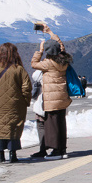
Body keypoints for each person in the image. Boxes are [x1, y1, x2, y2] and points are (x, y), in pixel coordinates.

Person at [31, 25, 72, 159]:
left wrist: (40, 50)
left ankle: (55, 150)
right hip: (62, 97)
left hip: (51, 99)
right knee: (61, 123)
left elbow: (34, 63)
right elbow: (61, 46)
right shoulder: (64, 60)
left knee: (52, 125)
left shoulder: (47, 63)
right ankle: (62, 149)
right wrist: (50, 32)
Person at [0, 42, 31, 164]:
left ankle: (0, 154)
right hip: (15, 105)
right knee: (14, 129)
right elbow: (26, 87)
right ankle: (13, 154)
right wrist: (26, 101)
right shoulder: (19, 70)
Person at [29, 69, 47, 158]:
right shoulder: (54, 74)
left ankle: (43, 148)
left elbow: (33, 94)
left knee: (41, 127)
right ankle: (58, 148)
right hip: (54, 106)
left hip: (40, 106)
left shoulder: (38, 80)